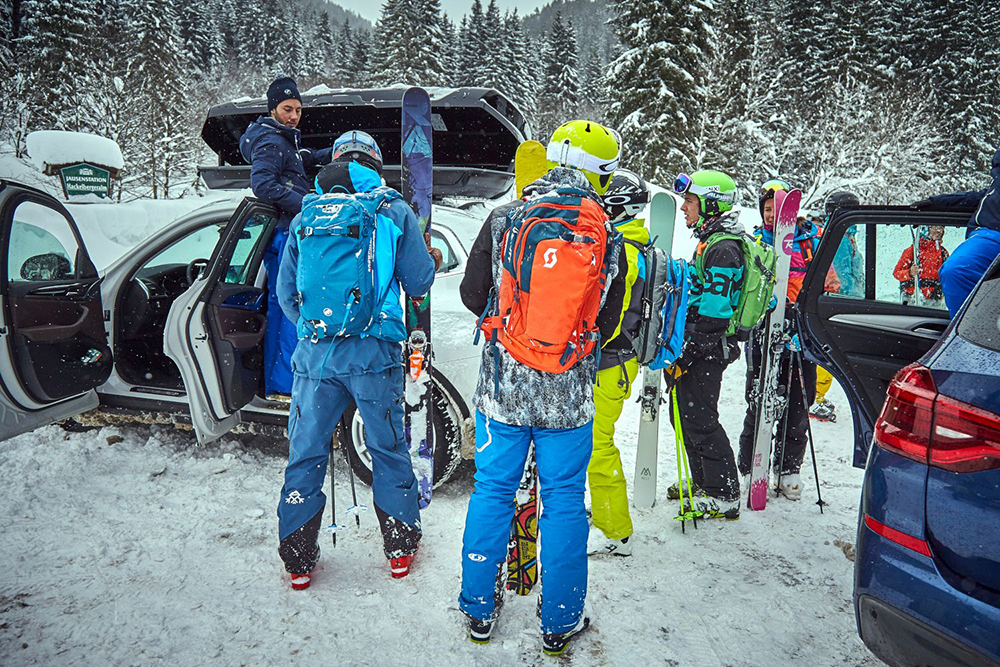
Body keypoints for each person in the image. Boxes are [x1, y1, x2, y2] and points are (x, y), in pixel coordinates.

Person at [457, 120, 623, 654]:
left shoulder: (505, 218)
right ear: (601, 174)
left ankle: (479, 609)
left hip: (503, 389)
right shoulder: (606, 233)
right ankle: (560, 619)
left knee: (492, 492)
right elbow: (610, 316)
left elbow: (469, 292)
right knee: (564, 502)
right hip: (568, 396)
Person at [274, 132, 440, 589]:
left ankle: (299, 560)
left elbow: (287, 295)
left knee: (305, 454)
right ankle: (400, 550)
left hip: (315, 358)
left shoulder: (308, 213)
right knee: (387, 450)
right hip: (374, 355)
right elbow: (419, 281)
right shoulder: (392, 210)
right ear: (375, 163)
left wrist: (320, 330)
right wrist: (429, 255)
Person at [240, 76, 332, 397]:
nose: (293, 115)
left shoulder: (282, 139)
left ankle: (291, 380)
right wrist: (306, 203)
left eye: (297, 109)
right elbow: (263, 184)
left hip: (290, 234)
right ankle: (284, 385)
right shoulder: (270, 141)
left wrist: (330, 153)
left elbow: (295, 161)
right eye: (287, 109)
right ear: (273, 109)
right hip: (282, 236)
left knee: (292, 307)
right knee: (287, 308)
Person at [665, 170, 745, 520]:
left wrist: (684, 354)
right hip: (699, 346)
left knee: (700, 419)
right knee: (683, 415)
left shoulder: (724, 250)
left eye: (690, 201)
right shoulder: (711, 241)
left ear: (711, 204)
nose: (684, 208)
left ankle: (724, 493)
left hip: (708, 349)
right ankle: (704, 480)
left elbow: (714, 317)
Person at [736, 179, 818, 502]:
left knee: (799, 399)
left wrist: (805, 314)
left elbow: (828, 283)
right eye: (767, 209)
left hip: (799, 334)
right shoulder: (756, 242)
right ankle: (749, 465)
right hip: (764, 331)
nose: (771, 215)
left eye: (777, 210)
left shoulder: (809, 243)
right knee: (759, 397)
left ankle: (788, 468)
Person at [587, 169, 651, 558]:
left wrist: (588, 347)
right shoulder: (632, 244)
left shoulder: (625, 250)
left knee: (598, 445)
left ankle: (617, 533)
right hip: (618, 361)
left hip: (611, 361)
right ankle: (608, 514)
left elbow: (612, 316)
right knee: (597, 442)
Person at [916, 144, 1000, 316]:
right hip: (991, 233)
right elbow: (985, 196)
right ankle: (968, 335)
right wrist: (937, 202)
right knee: (956, 270)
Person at [810, 191, 862, 423]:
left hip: (843, 300)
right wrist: (853, 297)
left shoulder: (846, 235)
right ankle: (814, 397)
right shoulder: (840, 237)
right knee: (829, 353)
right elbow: (841, 274)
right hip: (840, 301)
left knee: (829, 353)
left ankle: (815, 394)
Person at [893, 225, 949, 305]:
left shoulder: (943, 253)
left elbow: (948, 275)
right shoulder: (912, 251)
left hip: (935, 299)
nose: (939, 231)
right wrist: (909, 273)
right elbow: (896, 273)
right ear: (925, 229)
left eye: (941, 228)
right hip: (912, 299)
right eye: (935, 227)